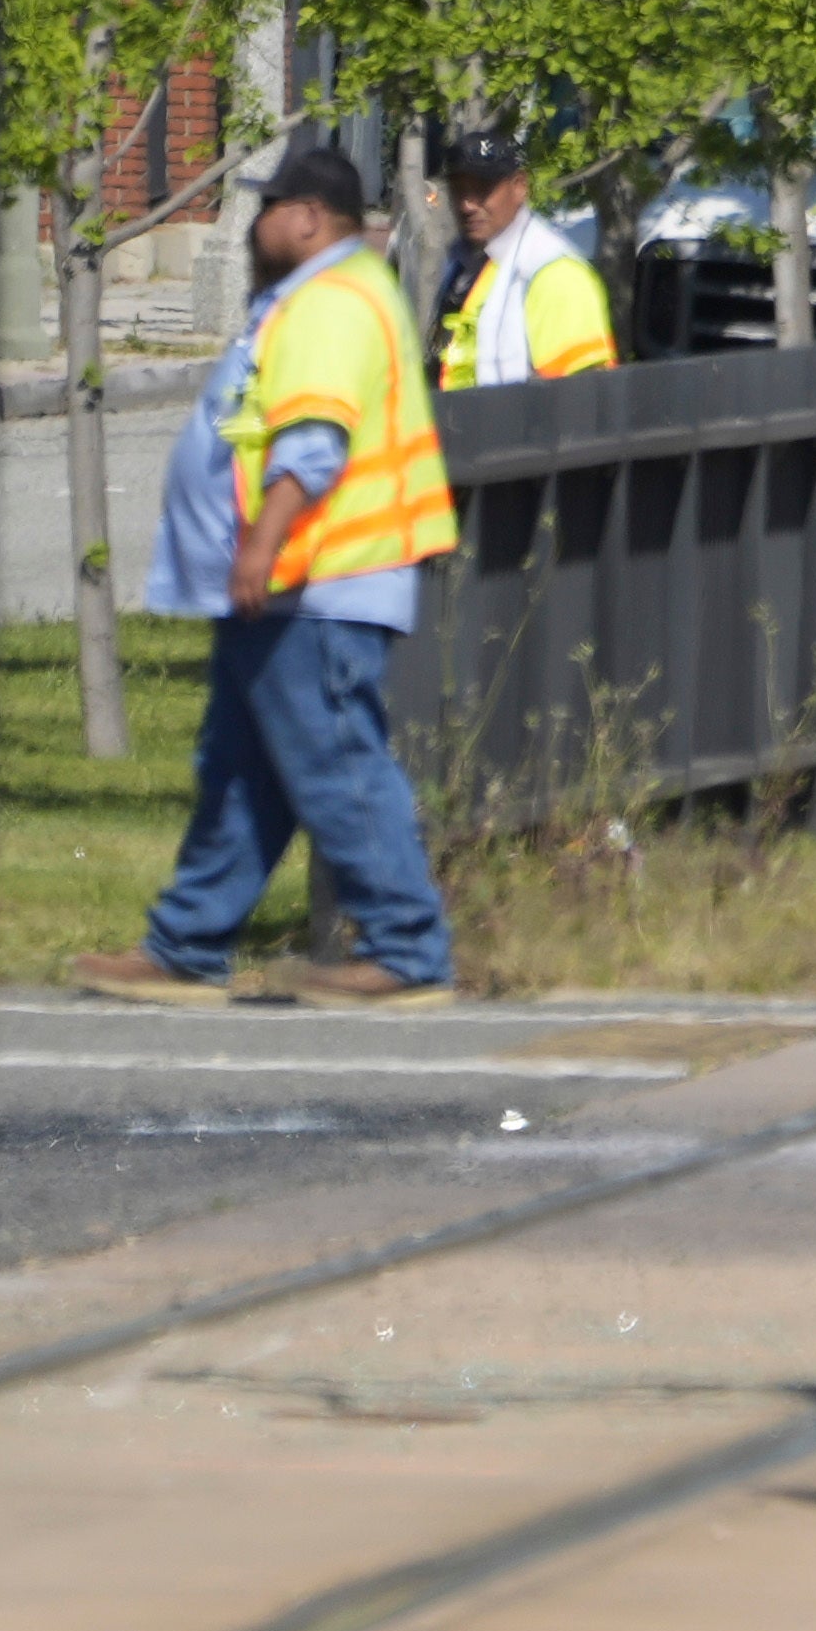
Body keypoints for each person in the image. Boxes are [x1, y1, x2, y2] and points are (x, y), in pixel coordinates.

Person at [70, 139, 459, 1006]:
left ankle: (408, 949)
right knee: (245, 771)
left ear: (309, 218)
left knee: (336, 764)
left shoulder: (330, 302)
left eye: (269, 209)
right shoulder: (323, 298)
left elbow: (313, 442)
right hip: (292, 586)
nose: (256, 226)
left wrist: (260, 546)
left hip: (314, 584)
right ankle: (186, 944)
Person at [431, 133, 615, 393]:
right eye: (458, 189)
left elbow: (585, 397)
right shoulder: (466, 262)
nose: (467, 204)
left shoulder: (556, 274)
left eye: (482, 189)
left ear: (519, 186)